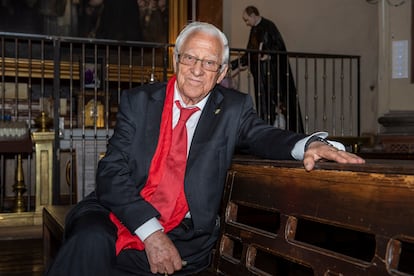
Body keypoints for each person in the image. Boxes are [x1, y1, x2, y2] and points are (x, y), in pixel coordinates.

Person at [45, 21, 365, 276]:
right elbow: (111, 173)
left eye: (209, 63)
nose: (197, 70)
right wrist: (151, 233)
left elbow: (265, 136)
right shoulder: (139, 102)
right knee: (88, 242)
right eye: (190, 58)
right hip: (115, 210)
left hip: (184, 233)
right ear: (176, 60)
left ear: (222, 73)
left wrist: (311, 143)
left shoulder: (232, 109)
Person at [231, 6, 303, 132]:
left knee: (277, 104)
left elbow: (279, 47)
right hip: (261, 77)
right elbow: (250, 53)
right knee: (263, 106)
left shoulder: (269, 26)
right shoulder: (254, 30)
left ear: (253, 15)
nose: (246, 23)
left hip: (273, 75)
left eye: (247, 20)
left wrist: (268, 55)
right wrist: (233, 64)